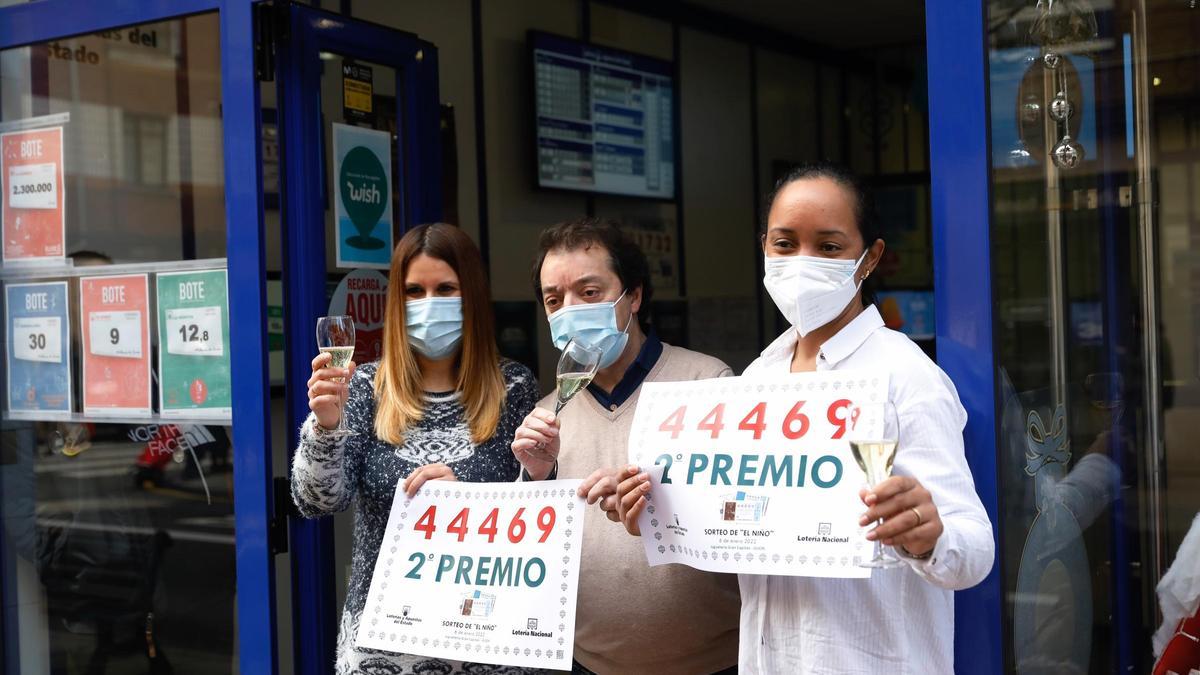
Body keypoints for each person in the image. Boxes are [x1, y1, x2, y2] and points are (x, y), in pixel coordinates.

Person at [615, 163, 995, 673]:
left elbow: (973, 551)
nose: (802, 262)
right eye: (785, 244)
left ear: (870, 258)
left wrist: (929, 537)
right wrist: (658, 512)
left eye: (830, 247)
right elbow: (740, 523)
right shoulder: (756, 380)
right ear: (764, 248)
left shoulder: (905, 376)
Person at [292, 223, 541, 675]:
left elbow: (537, 508)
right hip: (384, 647)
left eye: (445, 288)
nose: (429, 304)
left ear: (472, 297)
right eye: (413, 291)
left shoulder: (515, 387)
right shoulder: (365, 386)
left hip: (486, 640)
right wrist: (326, 425)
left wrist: (464, 494)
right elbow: (317, 502)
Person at [511, 218, 740, 674]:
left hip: (714, 662)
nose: (570, 309)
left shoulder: (708, 383)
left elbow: (743, 513)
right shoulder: (546, 415)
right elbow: (527, 556)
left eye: (590, 292)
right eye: (554, 300)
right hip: (587, 664)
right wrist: (534, 476)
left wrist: (660, 504)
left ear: (633, 297)